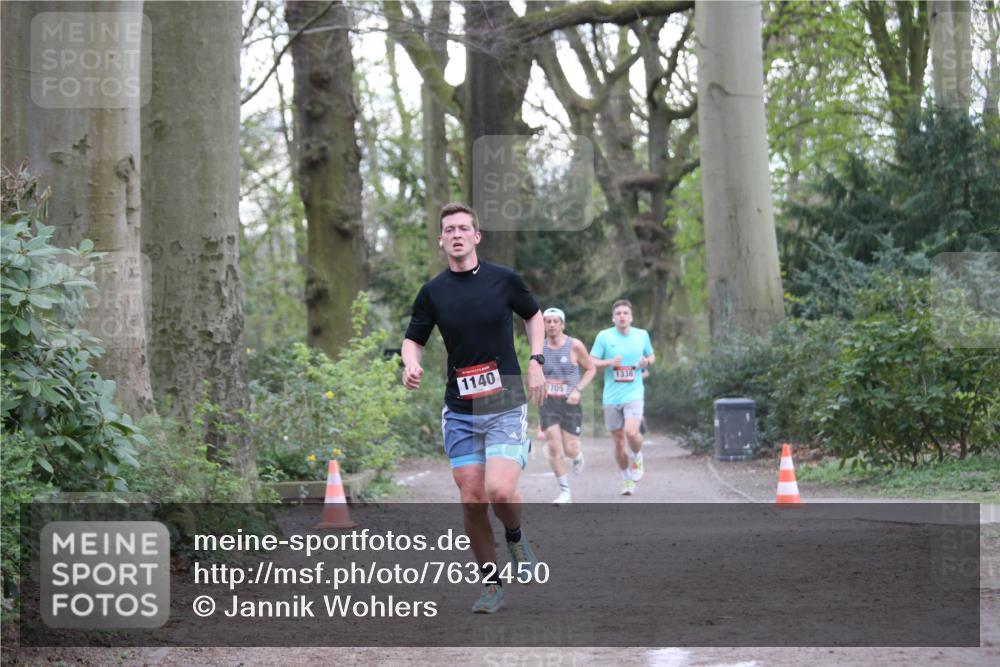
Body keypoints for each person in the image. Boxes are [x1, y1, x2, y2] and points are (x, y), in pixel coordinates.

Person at [401, 202, 546, 614]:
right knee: (472, 498)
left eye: (465, 227)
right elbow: (414, 339)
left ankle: (515, 536)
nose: (458, 234)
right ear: (442, 239)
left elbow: (533, 316)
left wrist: (536, 362)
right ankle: (491, 585)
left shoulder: (503, 280)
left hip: (503, 400)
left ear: (476, 236)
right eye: (450, 229)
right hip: (460, 407)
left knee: (499, 490)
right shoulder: (433, 292)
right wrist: (411, 362)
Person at [589, 299, 655, 495]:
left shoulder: (641, 335)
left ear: (631, 317)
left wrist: (645, 362)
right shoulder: (604, 336)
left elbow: (651, 356)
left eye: (625, 313)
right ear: (613, 317)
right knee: (618, 442)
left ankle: (637, 456)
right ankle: (627, 479)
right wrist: (610, 361)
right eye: (618, 313)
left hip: (634, 393)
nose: (622, 316)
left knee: (631, 433)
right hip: (611, 396)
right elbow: (591, 361)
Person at [539, 307, 596, 505]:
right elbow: (534, 373)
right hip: (548, 403)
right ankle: (565, 491)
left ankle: (577, 455)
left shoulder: (574, 345)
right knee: (554, 446)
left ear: (562, 324)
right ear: (544, 325)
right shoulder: (539, 347)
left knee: (569, 448)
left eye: (556, 321)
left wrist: (577, 389)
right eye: (548, 321)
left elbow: (590, 368)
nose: (552, 325)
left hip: (570, 403)